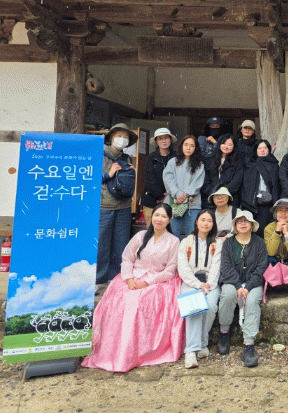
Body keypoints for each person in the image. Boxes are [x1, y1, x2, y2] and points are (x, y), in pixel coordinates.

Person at [82, 204, 183, 373]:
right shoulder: (140, 236)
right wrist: (128, 279)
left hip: (158, 281)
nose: (159, 219)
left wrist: (148, 282)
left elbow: (170, 270)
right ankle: (112, 351)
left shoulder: (174, 241)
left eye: (164, 216)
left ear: (169, 220)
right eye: (156, 215)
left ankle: (132, 353)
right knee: (120, 299)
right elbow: (127, 258)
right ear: (152, 216)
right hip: (133, 277)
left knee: (139, 302)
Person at [217, 210, 268, 367]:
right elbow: (225, 267)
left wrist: (248, 287)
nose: (243, 224)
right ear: (235, 225)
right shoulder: (228, 243)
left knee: (252, 301)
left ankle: (248, 344)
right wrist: (238, 286)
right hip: (232, 282)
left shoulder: (259, 243)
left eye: (247, 221)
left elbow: (261, 268)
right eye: (240, 221)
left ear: (252, 225)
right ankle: (224, 332)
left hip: (253, 283)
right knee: (227, 295)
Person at [177, 209, 222, 369]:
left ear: (213, 224)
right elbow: (183, 269)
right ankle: (191, 350)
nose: (206, 223)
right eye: (203, 220)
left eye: (209, 221)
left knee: (211, 306)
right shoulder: (186, 242)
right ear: (196, 222)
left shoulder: (217, 243)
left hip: (210, 283)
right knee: (194, 307)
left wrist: (208, 284)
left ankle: (203, 342)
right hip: (191, 282)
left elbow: (216, 267)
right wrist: (198, 284)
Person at [98, 123, 138, 285]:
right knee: (102, 244)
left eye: (125, 137)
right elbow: (89, 178)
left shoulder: (126, 158)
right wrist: (108, 174)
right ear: (111, 138)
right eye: (119, 136)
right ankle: (99, 279)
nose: (122, 139)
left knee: (121, 244)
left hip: (124, 206)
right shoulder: (100, 154)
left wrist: (131, 172)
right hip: (105, 206)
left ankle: (115, 278)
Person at [163, 135, 205, 239]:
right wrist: (177, 194)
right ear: (181, 146)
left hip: (192, 204)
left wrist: (184, 195)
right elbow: (168, 179)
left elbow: (198, 183)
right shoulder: (172, 162)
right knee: (173, 235)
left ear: (196, 148)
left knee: (191, 236)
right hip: (174, 202)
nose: (188, 148)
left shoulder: (199, 165)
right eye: (186, 145)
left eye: (192, 145)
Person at [241, 139, 281, 234]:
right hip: (250, 203)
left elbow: (277, 185)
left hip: (266, 204)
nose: (262, 150)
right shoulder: (249, 164)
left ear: (269, 150)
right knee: (248, 231)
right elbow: (244, 184)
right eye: (259, 148)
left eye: (265, 148)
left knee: (263, 231)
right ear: (256, 150)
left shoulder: (274, 165)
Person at [142, 127, 176, 223]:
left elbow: (179, 177)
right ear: (156, 141)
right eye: (160, 139)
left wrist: (169, 194)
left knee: (169, 228)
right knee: (152, 228)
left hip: (172, 198)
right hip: (151, 199)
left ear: (170, 140)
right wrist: (161, 196)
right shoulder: (151, 157)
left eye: (166, 138)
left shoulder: (177, 156)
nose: (164, 141)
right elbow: (150, 179)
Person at [202, 133, 243, 208]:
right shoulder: (210, 160)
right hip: (211, 200)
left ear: (234, 147)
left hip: (231, 201)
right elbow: (206, 182)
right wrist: (215, 193)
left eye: (230, 145)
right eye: (223, 143)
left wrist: (223, 192)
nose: (226, 147)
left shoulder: (238, 163)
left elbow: (236, 182)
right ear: (219, 145)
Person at [264, 198, 288, 264]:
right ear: (276, 214)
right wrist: (277, 232)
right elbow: (271, 252)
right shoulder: (269, 228)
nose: (283, 213)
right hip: (275, 259)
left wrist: (286, 234)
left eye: (287, 210)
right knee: (269, 259)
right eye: (280, 210)